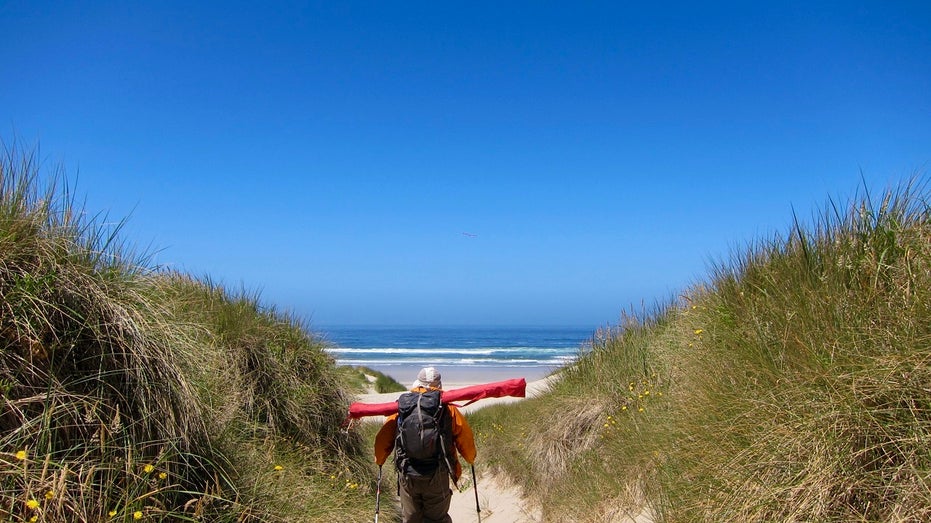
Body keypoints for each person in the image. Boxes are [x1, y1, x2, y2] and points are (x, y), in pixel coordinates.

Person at [374, 367, 477, 523]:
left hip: (408, 472)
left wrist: (380, 460)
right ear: (439, 386)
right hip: (437, 473)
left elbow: (383, 440)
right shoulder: (447, 408)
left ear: (418, 384)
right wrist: (470, 459)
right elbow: (465, 439)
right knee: (437, 519)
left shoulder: (403, 407)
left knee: (411, 519)